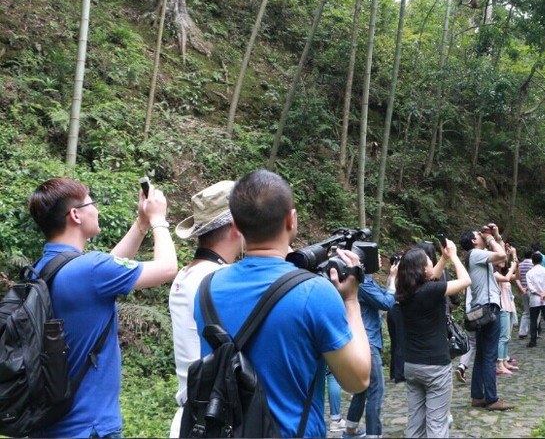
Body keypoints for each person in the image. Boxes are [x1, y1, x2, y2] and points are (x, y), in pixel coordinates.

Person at [193, 170, 370, 438]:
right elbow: (357, 380)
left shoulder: (206, 289)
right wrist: (351, 300)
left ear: (237, 228)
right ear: (292, 219)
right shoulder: (314, 293)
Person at [28, 177, 179, 438]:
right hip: (90, 427)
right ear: (75, 215)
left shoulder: (40, 270)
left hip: (48, 426)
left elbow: (107, 267)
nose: (96, 209)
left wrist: (140, 225)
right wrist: (158, 220)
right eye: (92, 203)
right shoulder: (91, 269)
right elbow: (167, 267)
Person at [168, 180, 244, 438]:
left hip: (188, 416)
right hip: (214, 419)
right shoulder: (221, 280)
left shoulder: (185, 274)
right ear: (237, 226)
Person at [397, 240, 470, 437]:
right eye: (429, 261)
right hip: (436, 366)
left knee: (415, 423)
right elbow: (465, 281)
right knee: (437, 424)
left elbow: (433, 276)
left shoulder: (403, 293)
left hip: (412, 365)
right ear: (421, 269)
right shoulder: (430, 291)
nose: (432, 263)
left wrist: (444, 258)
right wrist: (454, 256)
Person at [459, 224, 514, 411]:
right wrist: (490, 238)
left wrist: (496, 236)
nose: (482, 235)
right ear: (474, 241)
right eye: (478, 234)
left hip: (481, 309)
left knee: (482, 354)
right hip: (488, 309)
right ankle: (492, 399)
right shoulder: (475, 254)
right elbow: (502, 256)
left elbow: (501, 263)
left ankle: (477, 396)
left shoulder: (477, 256)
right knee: (490, 355)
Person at [343, 255, 398, 439]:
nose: (380, 259)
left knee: (363, 388)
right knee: (376, 388)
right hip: (367, 342)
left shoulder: (367, 281)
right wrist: (393, 282)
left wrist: (392, 279)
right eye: (377, 256)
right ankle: (374, 434)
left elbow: (384, 296)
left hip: (367, 340)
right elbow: (386, 302)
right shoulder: (362, 284)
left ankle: (350, 430)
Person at [524, 252, 545, 349]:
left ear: (532, 261)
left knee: (534, 321)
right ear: (541, 260)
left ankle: (533, 341)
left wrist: (539, 294)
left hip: (534, 300)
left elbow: (531, 288)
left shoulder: (529, 273)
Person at [494, 245, 518, 375]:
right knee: (502, 337)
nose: (504, 260)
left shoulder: (505, 272)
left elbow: (517, 276)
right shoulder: (494, 273)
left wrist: (515, 260)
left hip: (509, 307)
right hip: (502, 308)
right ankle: (499, 363)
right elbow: (507, 278)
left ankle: (504, 361)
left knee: (507, 336)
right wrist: (513, 266)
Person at [515, 249, 536, 340]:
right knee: (535, 311)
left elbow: (517, 278)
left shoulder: (519, 265)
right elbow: (533, 278)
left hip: (522, 290)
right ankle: (535, 331)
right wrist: (527, 287)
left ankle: (522, 332)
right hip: (531, 290)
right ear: (532, 256)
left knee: (526, 311)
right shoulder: (533, 265)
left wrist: (522, 288)